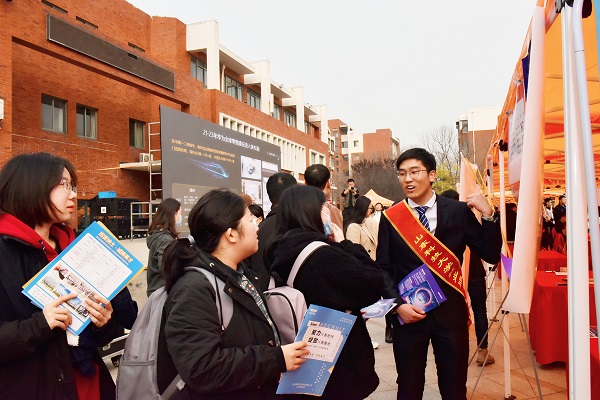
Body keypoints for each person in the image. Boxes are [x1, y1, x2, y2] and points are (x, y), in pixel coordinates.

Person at [0, 152, 137, 400]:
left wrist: (104, 322)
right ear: (32, 186)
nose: (73, 194)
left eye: (73, 186)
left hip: (88, 380)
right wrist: (40, 324)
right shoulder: (5, 251)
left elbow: (106, 333)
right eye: (64, 185)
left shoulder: (76, 247)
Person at [156, 189, 308, 399]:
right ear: (231, 234)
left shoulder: (240, 275)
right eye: (250, 219)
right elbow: (202, 369)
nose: (257, 226)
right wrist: (276, 359)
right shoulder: (193, 289)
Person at [377, 148, 501, 399]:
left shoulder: (458, 211)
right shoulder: (391, 217)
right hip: (410, 316)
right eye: (402, 173)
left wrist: (488, 215)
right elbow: (383, 268)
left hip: (451, 315)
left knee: (454, 387)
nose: (408, 179)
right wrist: (398, 306)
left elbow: (490, 254)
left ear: (432, 175)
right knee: (409, 387)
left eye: (415, 172)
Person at [268, 185, 384, 399]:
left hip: (303, 353)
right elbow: (373, 283)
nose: (328, 212)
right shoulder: (322, 256)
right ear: (310, 211)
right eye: (324, 207)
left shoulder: (279, 249)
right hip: (338, 364)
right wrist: (345, 244)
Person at [440, 189, 495, 366]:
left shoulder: (441, 224)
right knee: (479, 311)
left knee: (452, 311)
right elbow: (487, 245)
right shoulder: (467, 217)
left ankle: (453, 350)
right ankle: (482, 350)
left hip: (451, 274)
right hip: (473, 272)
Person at [249, 172, 297, 291]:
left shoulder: (259, 229)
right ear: (294, 194)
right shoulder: (295, 227)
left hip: (260, 295)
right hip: (288, 299)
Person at [146, 198, 181, 296]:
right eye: (180, 213)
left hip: (156, 290)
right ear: (174, 214)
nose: (180, 216)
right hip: (162, 292)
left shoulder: (158, 236)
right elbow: (167, 268)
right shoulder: (165, 239)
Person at [304, 163, 343, 229]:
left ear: (305, 183)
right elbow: (339, 234)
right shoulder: (334, 212)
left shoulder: (296, 209)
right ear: (328, 184)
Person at [346, 196, 379, 261]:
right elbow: (354, 251)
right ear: (364, 208)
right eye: (370, 208)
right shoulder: (353, 227)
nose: (372, 210)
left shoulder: (367, 223)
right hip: (363, 263)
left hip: (372, 262)